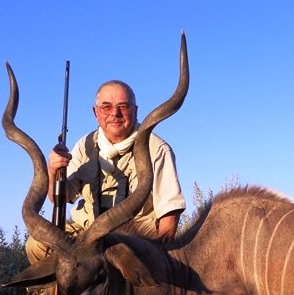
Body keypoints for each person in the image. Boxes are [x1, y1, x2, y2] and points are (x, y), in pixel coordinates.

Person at [26, 80, 185, 264]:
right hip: (88, 236)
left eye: (123, 106)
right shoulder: (84, 145)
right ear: (96, 112)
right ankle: (59, 293)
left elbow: (169, 216)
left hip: (134, 238)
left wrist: (159, 258)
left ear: (135, 110)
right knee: (37, 246)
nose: (114, 114)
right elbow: (59, 199)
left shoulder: (156, 148)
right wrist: (53, 170)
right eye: (106, 107)